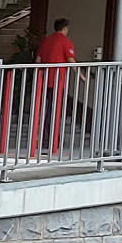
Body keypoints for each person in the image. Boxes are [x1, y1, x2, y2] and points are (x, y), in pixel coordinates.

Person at [35, 18, 76, 152]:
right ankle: (53, 140)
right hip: (58, 81)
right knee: (55, 111)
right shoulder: (66, 42)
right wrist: (82, 75)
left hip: (45, 80)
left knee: (46, 110)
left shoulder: (46, 41)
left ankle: (48, 139)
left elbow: (38, 60)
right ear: (65, 28)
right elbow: (71, 60)